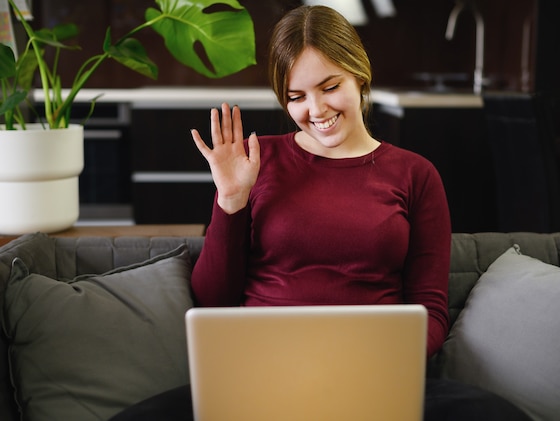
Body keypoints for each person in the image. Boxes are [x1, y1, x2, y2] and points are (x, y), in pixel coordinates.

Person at [110, 5, 531, 420]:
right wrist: (231, 201)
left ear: (359, 76)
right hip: (260, 373)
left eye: (330, 87)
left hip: (375, 376)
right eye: (296, 96)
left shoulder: (415, 174)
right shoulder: (257, 162)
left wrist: (376, 361)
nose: (316, 110)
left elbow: (431, 310)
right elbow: (212, 301)